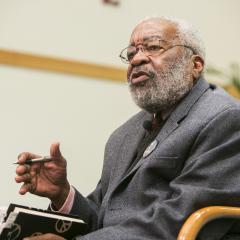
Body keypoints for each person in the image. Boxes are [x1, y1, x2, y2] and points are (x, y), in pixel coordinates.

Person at [15, 16, 240, 240]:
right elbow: (102, 220)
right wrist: (62, 193)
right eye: (131, 54)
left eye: (153, 47)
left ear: (195, 64)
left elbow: (178, 222)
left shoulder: (224, 119)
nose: (137, 59)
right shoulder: (123, 135)